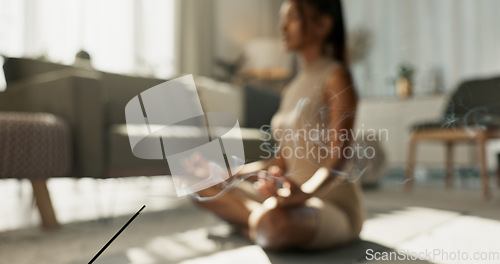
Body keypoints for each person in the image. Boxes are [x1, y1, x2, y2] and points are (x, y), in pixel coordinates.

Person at [194, 0, 364, 250]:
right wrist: (230, 172)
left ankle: (255, 226)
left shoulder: (337, 76)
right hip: (289, 199)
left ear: (323, 24)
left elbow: (337, 163)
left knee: (274, 222)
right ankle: (260, 227)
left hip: (327, 202)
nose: (282, 27)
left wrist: (303, 194)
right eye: (282, 19)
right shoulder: (292, 88)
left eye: (292, 18)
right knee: (198, 183)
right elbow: (280, 162)